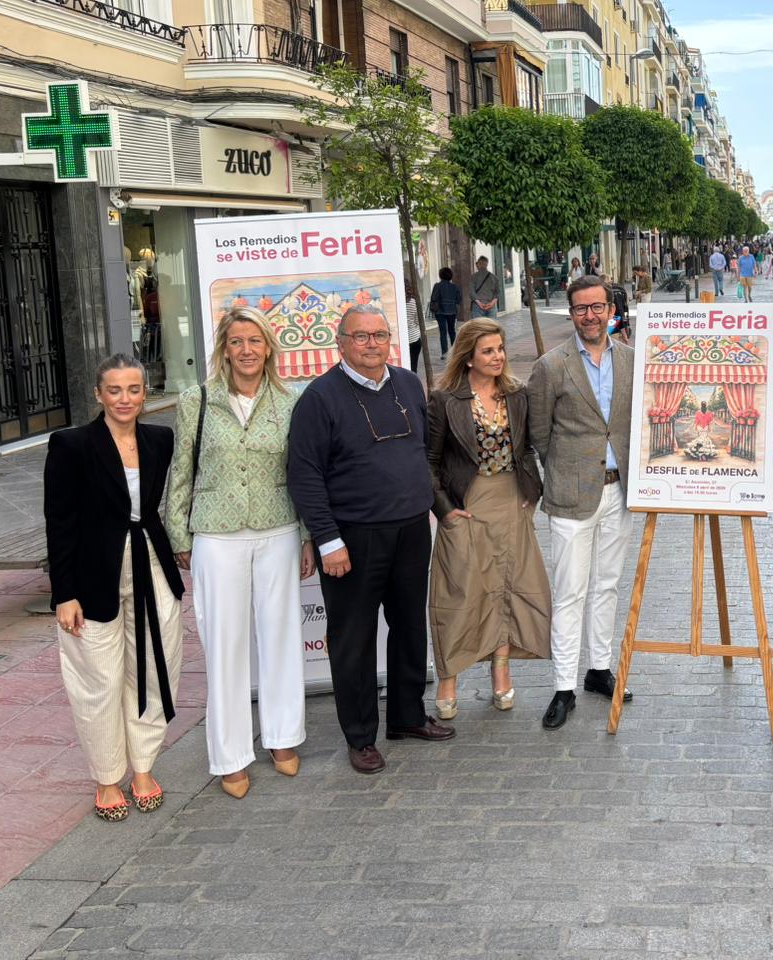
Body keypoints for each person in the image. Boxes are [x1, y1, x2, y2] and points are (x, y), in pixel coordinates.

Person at [288, 306, 455, 775]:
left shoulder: (407, 383)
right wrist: (327, 540)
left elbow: (423, 452)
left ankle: (406, 716)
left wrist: (436, 508)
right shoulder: (319, 398)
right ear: (340, 342)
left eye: (379, 335)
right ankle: (360, 736)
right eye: (361, 336)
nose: (372, 344)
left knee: (409, 627)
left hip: (411, 530)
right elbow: (304, 475)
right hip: (353, 537)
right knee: (353, 639)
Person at [165, 309, 311, 799]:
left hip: (278, 528)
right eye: (236, 342)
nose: (246, 350)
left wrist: (308, 534)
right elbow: (181, 470)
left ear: (269, 347)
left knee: (281, 637)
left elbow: (302, 471)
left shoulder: (290, 401)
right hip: (216, 533)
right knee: (224, 645)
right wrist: (179, 535)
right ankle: (230, 755)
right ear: (223, 350)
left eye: (254, 341)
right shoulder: (198, 400)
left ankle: (283, 736)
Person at [45, 355, 184, 822]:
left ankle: (143, 767)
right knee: (98, 679)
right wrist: (64, 593)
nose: (125, 399)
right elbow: (59, 522)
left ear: (146, 393)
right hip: (91, 573)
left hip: (151, 562)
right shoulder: (71, 444)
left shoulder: (160, 439)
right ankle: (107, 777)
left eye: (134, 389)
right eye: (115, 390)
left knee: (156, 664)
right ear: (98, 394)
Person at [426, 319, 551, 719]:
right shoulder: (445, 399)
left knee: (507, 588)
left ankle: (501, 671)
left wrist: (531, 492)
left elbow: (526, 449)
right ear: (468, 357)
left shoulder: (516, 394)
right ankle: (448, 678)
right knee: (459, 592)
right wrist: (444, 509)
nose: (498, 357)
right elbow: (429, 461)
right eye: (488, 351)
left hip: (510, 499)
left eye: (500, 349)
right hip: (467, 504)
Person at [526, 275, 636, 729]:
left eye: (597, 307)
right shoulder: (551, 366)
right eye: (580, 309)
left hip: (620, 491)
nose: (590, 316)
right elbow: (539, 434)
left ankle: (599, 670)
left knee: (608, 585)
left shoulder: (631, 359)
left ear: (611, 310)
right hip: (572, 496)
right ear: (571, 313)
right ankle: (563, 687)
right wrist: (566, 471)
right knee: (570, 591)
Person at [429, 266, 460, 358]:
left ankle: (444, 353)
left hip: (440, 312)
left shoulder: (437, 286)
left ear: (440, 275)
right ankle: (455, 352)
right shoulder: (454, 287)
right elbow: (458, 299)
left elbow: (434, 297)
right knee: (452, 331)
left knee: (443, 332)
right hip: (452, 311)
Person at [470, 255, 501, 320]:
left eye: (477, 264)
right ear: (487, 264)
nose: (476, 265)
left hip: (477, 306)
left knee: (479, 325)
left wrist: (479, 303)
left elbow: (471, 292)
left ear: (479, 264)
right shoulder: (494, 277)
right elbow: (498, 293)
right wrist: (491, 303)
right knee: (491, 325)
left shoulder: (473, 277)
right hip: (491, 306)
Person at [404, 279, 424, 371]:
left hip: (402, 340)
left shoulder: (395, 303)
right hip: (414, 338)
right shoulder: (413, 302)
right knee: (413, 366)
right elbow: (418, 321)